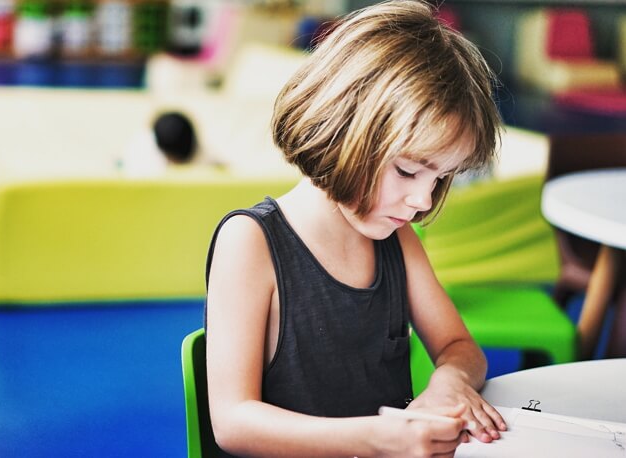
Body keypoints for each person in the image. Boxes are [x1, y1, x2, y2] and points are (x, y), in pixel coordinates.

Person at [204, 1, 506, 456]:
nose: (424, 201)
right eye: (408, 172)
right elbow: (232, 421)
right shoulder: (250, 243)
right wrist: (378, 438)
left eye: (440, 178)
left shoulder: (396, 240)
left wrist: (449, 381)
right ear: (342, 131)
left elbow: (460, 346)